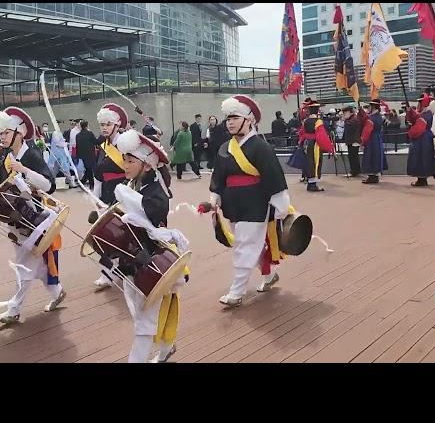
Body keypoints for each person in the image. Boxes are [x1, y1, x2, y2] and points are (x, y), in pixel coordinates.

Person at [0, 107, 65, 324]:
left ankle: (15, 309)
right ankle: (57, 291)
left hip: (35, 220)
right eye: (1, 134)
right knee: (35, 264)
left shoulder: (32, 156)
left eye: (6, 133)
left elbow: (49, 185)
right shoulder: (3, 163)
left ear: (19, 133)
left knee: (23, 265)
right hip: (15, 222)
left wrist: (25, 170)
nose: (2, 137)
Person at [113, 129, 190, 363]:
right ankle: (166, 348)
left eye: (130, 160)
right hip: (135, 261)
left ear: (146, 165)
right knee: (144, 316)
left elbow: (152, 215)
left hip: (151, 261)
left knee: (145, 321)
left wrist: (126, 198)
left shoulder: (155, 193)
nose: (124, 164)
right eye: (124, 159)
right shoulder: (135, 187)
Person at [209, 95, 292, 307]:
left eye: (235, 117)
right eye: (227, 118)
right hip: (232, 205)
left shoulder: (261, 147)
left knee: (244, 247)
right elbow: (218, 175)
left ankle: (236, 293)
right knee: (246, 244)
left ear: (249, 120)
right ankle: (270, 274)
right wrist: (215, 195)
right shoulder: (224, 147)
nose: (229, 122)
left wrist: (280, 203)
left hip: (256, 203)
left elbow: (273, 176)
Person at [92, 103, 129, 290]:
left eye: (108, 124)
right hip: (106, 195)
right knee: (105, 236)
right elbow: (98, 176)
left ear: (116, 125)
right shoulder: (102, 146)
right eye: (102, 125)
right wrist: (96, 200)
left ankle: (125, 269)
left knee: (125, 235)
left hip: (124, 194)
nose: (104, 128)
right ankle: (107, 273)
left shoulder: (126, 143)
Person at [299, 101, 334, 192]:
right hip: (314, 144)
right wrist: (329, 147)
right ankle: (313, 185)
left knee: (309, 162)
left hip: (306, 143)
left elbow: (301, 132)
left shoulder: (305, 121)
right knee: (315, 162)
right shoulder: (318, 121)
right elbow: (321, 136)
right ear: (317, 110)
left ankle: (310, 183)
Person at [407, 95, 435, 187]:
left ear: (422, 103)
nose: (417, 104)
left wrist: (410, 133)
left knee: (421, 158)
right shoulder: (425, 113)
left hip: (422, 138)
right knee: (421, 158)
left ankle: (422, 179)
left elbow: (418, 126)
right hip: (424, 138)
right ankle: (421, 179)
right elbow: (414, 118)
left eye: (419, 102)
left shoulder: (425, 115)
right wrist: (410, 111)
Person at [359, 100, 388, 184]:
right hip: (378, 139)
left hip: (371, 139)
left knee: (370, 156)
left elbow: (367, 131)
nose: (368, 108)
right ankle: (375, 176)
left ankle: (372, 177)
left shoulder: (371, 118)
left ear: (373, 107)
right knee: (377, 156)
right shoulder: (379, 116)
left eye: (369, 106)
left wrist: (363, 142)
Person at [75, 120, 97, 190]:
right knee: (89, 169)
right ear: (87, 126)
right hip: (90, 154)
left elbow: (77, 146)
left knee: (88, 169)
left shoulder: (78, 135)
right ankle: (91, 184)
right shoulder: (90, 133)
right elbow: (95, 142)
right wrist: (102, 137)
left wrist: (78, 155)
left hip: (83, 155)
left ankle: (82, 182)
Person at [341, 103, 362, 177]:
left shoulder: (354, 119)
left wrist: (345, 120)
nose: (344, 114)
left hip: (354, 141)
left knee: (353, 157)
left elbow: (354, 130)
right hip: (351, 141)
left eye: (345, 112)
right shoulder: (350, 119)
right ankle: (355, 170)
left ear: (350, 112)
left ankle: (354, 171)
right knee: (352, 156)